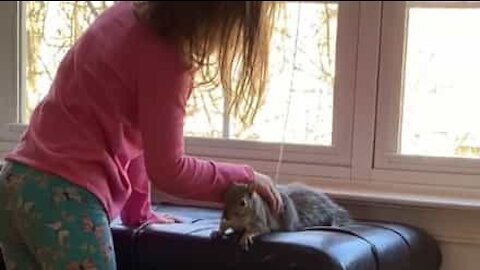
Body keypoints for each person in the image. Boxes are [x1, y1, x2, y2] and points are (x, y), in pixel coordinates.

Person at [0, 1, 284, 269]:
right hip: (62, 198)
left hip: (16, 183)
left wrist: (138, 210)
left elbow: (131, 134)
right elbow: (169, 170)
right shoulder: (169, 54)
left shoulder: (126, 13)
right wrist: (245, 178)